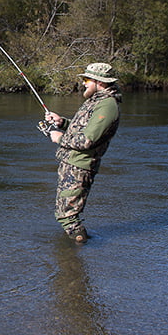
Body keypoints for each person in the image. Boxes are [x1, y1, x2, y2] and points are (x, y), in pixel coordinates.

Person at [39, 62, 122, 243]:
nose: (83, 83)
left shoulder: (107, 106)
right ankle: (74, 258)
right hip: (72, 162)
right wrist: (62, 122)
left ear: (100, 82)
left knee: (67, 216)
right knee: (65, 214)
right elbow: (83, 129)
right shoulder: (96, 101)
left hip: (80, 166)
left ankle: (77, 257)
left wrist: (59, 137)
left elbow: (87, 140)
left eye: (86, 79)